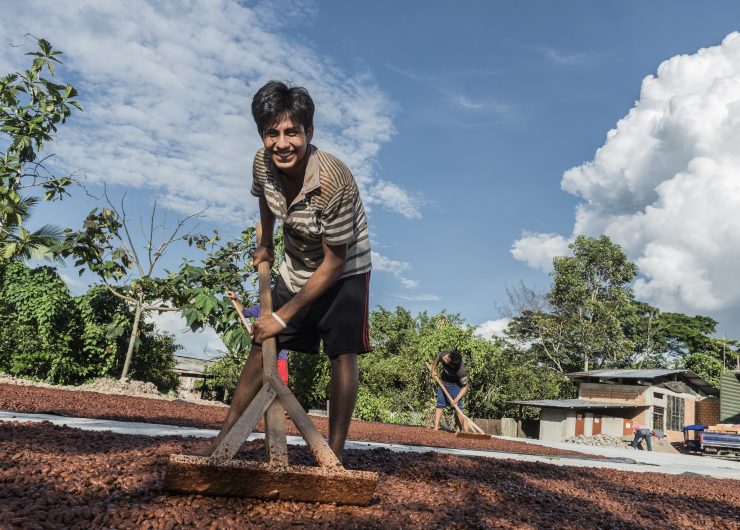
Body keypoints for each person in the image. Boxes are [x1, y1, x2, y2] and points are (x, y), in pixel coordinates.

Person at [198, 81, 372, 461]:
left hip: (344, 269)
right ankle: (224, 438)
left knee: (342, 353)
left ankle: (334, 455)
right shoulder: (262, 163)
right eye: (271, 133)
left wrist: (280, 316)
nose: (282, 143)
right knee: (262, 342)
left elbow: (334, 262)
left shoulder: (332, 181)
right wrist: (266, 243)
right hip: (296, 261)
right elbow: (265, 196)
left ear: (309, 132)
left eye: (291, 132)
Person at [225, 292, 289, 385]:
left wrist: (256, 329)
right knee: (258, 385)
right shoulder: (260, 308)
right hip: (261, 355)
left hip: (279, 356)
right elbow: (244, 313)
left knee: (281, 386)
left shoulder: (282, 310)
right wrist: (235, 299)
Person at [430, 350, 469, 431]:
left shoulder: (461, 371)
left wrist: (457, 399)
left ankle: (460, 429)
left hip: (456, 387)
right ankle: (436, 427)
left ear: (453, 365)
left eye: (447, 359)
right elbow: (437, 359)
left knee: (458, 408)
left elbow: (465, 387)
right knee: (440, 404)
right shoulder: (444, 355)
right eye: (446, 356)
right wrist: (433, 370)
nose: (445, 358)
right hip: (443, 383)